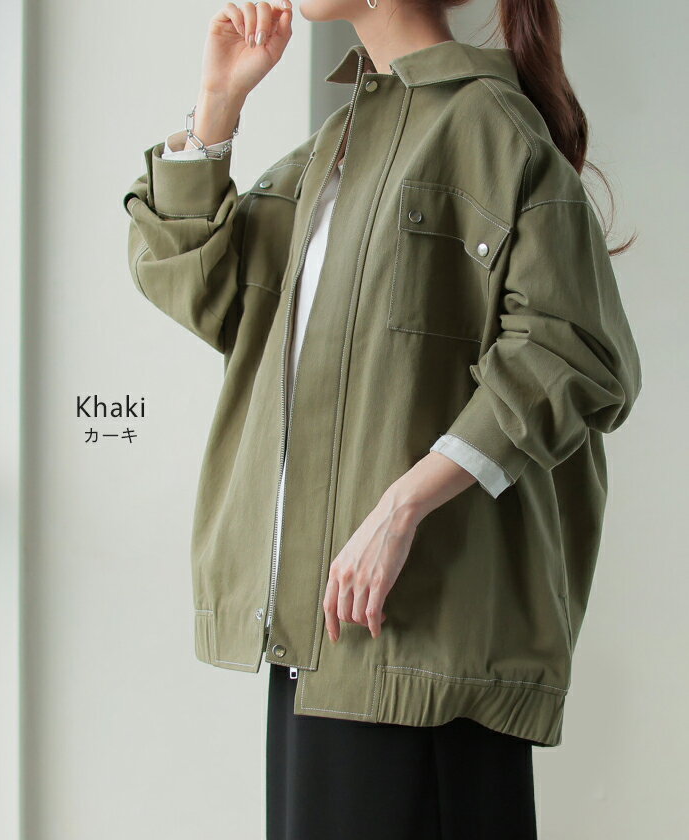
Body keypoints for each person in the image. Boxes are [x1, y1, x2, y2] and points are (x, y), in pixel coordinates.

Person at [122, 0, 643, 837]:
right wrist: (218, 105)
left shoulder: (491, 124)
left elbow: (573, 350)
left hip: (424, 643)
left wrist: (401, 506)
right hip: (322, 639)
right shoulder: (342, 142)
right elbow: (207, 288)